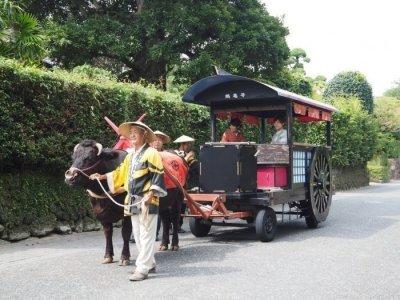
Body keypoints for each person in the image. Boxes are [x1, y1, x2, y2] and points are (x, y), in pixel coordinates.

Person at [90, 121, 167, 282]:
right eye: (130, 132)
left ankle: (142, 269)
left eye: (135, 132)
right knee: (138, 235)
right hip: (131, 199)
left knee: (146, 234)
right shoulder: (131, 155)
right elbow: (120, 172)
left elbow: (157, 176)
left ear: (144, 135)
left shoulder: (151, 153)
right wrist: (102, 176)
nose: (131, 134)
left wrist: (150, 195)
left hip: (147, 200)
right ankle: (150, 262)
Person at [173, 135, 197, 232]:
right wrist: (187, 157)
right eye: (187, 144)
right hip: (177, 180)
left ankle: (178, 225)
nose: (189, 146)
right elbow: (178, 166)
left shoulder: (189, 154)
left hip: (186, 181)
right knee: (175, 204)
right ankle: (173, 225)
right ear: (183, 144)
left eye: (189, 144)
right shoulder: (175, 153)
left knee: (182, 204)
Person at [150, 130, 170, 243]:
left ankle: (156, 233)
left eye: (160, 139)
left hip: (164, 184)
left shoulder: (167, 155)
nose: (157, 142)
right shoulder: (146, 154)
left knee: (157, 210)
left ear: (162, 142)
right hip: (148, 185)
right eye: (155, 139)